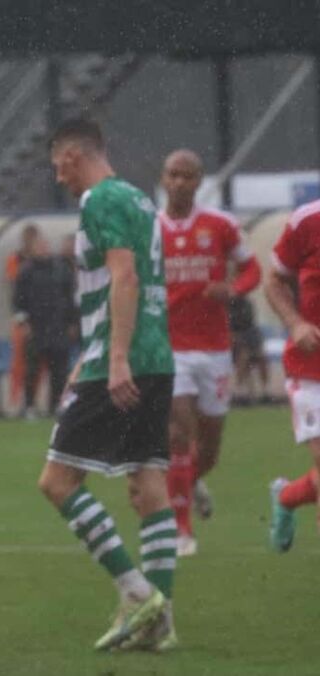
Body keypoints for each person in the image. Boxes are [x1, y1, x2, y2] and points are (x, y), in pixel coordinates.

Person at [37, 118, 177, 652]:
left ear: (73, 156)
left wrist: (113, 356)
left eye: (57, 165)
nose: (58, 176)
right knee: (148, 488)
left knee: (57, 482)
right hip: (157, 354)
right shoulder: (141, 201)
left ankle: (137, 592)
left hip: (123, 359)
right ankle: (159, 625)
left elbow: (125, 276)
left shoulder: (100, 199)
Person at [157, 149, 262, 556]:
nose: (179, 182)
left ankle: (190, 482)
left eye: (187, 176)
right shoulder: (150, 229)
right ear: (163, 179)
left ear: (199, 182)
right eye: (172, 174)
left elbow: (252, 269)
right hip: (171, 348)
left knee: (209, 450)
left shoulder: (220, 225)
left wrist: (232, 290)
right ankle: (181, 531)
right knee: (178, 435)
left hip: (215, 349)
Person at [265, 198, 320, 553]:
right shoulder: (307, 220)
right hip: (311, 366)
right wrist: (296, 323)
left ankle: (285, 496)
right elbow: (273, 281)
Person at [13, 235, 77, 418]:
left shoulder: (61, 269)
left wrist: (73, 322)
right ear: (32, 249)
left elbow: (70, 297)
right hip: (36, 328)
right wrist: (23, 323)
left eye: (45, 245)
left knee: (59, 369)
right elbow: (18, 300)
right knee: (32, 370)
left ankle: (56, 404)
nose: (44, 249)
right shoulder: (26, 271)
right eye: (39, 246)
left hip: (58, 327)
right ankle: (30, 406)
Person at [6, 223, 43, 407]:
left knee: (38, 364)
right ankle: (17, 401)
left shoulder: (45, 264)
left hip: (40, 321)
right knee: (20, 362)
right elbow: (15, 288)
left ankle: (33, 401)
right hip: (23, 320)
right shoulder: (17, 260)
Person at [228, 294, 270, 405]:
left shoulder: (246, 304)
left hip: (248, 343)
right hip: (232, 348)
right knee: (244, 356)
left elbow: (250, 325)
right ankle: (240, 390)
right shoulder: (226, 307)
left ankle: (265, 391)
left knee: (262, 358)